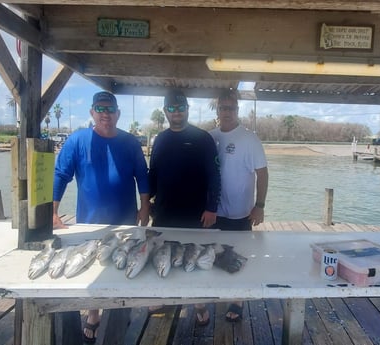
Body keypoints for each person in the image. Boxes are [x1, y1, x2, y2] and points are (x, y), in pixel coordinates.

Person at [52, 91, 149, 344]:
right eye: (100, 108)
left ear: (118, 113)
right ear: (92, 112)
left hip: (125, 219)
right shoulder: (77, 140)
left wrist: (145, 207)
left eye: (110, 109)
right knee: (93, 268)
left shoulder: (130, 142)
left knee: (121, 265)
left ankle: (118, 310)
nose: (105, 113)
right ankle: (93, 314)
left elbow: (143, 176)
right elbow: (61, 175)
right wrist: (52, 211)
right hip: (90, 220)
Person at [148, 89, 221, 326]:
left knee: (195, 256)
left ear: (187, 109)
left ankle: (198, 302)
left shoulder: (203, 138)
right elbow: (153, 174)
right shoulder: (159, 139)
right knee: (163, 253)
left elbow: (214, 175)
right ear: (165, 112)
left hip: (196, 212)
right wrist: (148, 203)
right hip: (164, 211)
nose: (176, 112)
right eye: (171, 108)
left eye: (180, 107)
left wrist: (212, 207)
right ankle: (163, 297)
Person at [209, 89, 268, 322]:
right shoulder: (210, 137)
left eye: (231, 108)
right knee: (214, 253)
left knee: (239, 256)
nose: (227, 112)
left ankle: (237, 301)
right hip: (214, 211)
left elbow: (262, 174)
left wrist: (260, 205)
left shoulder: (249, 138)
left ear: (237, 110)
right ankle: (219, 293)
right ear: (217, 110)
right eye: (222, 107)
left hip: (241, 212)